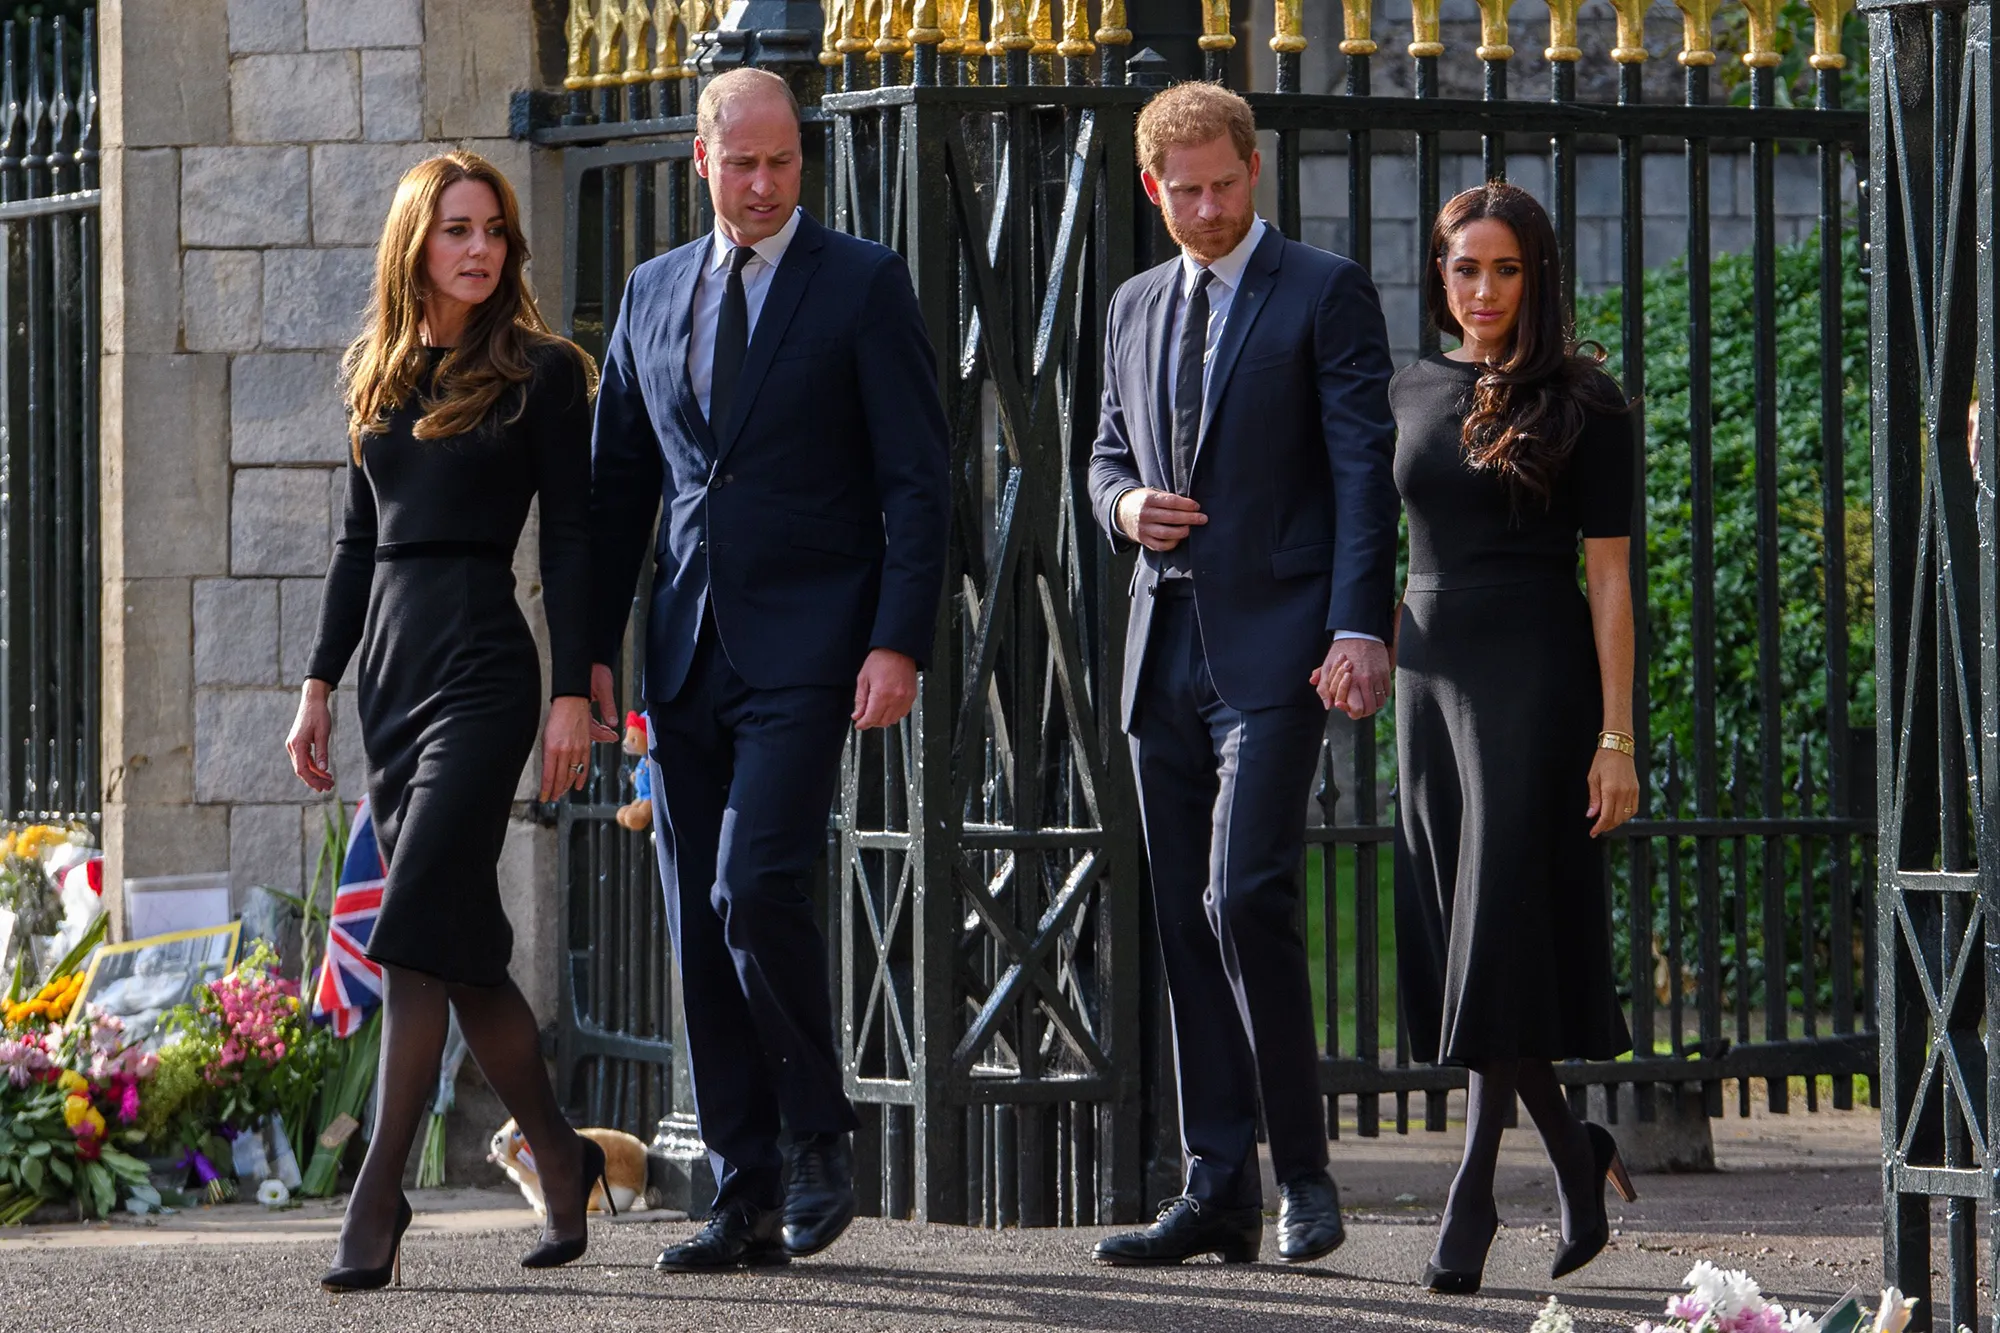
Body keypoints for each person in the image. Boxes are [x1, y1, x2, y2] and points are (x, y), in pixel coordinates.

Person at [586, 67, 950, 1272]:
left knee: (751, 886)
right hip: (682, 655)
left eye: (781, 163)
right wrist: (586, 660)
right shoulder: (646, 294)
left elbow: (916, 478)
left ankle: (815, 1136)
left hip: (814, 646)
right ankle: (739, 1193)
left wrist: (896, 638)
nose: (760, 185)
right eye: (739, 164)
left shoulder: (862, 283)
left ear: (805, 160)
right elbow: (616, 495)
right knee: (698, 919)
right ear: (701, 160)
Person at [1084, 81, 1398, 1267]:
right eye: (1185, 192)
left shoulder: (1323, 291)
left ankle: (1302, 1177)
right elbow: (1103, 448)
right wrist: (1121, 503)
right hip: (1156, 651)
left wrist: (1356, 627)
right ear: (1150, 186)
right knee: (1175, 918)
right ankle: (1214, 1184)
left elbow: (1361, 473)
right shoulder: (1127, 305)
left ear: (1252, 170)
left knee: (1240, 896)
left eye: (1224, 185)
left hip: (1276, 653)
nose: (1207, 210)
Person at [286, 152, 612, 1292]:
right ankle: (561, 1157)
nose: (478, 249)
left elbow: (571, 538)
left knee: (416, 922)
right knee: (458, 945)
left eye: (493, 232)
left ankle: (377, 1197)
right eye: (456, 231)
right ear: (414, 244)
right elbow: (354, 544)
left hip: (484, 667)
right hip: (391, 673)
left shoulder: (541, 371)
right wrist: (320, 682)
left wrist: (573, 687)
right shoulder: (376, 370)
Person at [1372, 180, 1640, 1295]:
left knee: (1491, 931)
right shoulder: (1407, 388)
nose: (1480, 291)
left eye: (1503, 269)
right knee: (1469, 936)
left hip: (1532, 681)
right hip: (1427, 680)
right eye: (1462, 268)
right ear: (1437, 278)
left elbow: (1613, 582)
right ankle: (1577, 1158)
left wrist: (1616, 736)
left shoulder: (1585, 398)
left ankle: (1470, 1195)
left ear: (1536, 276)